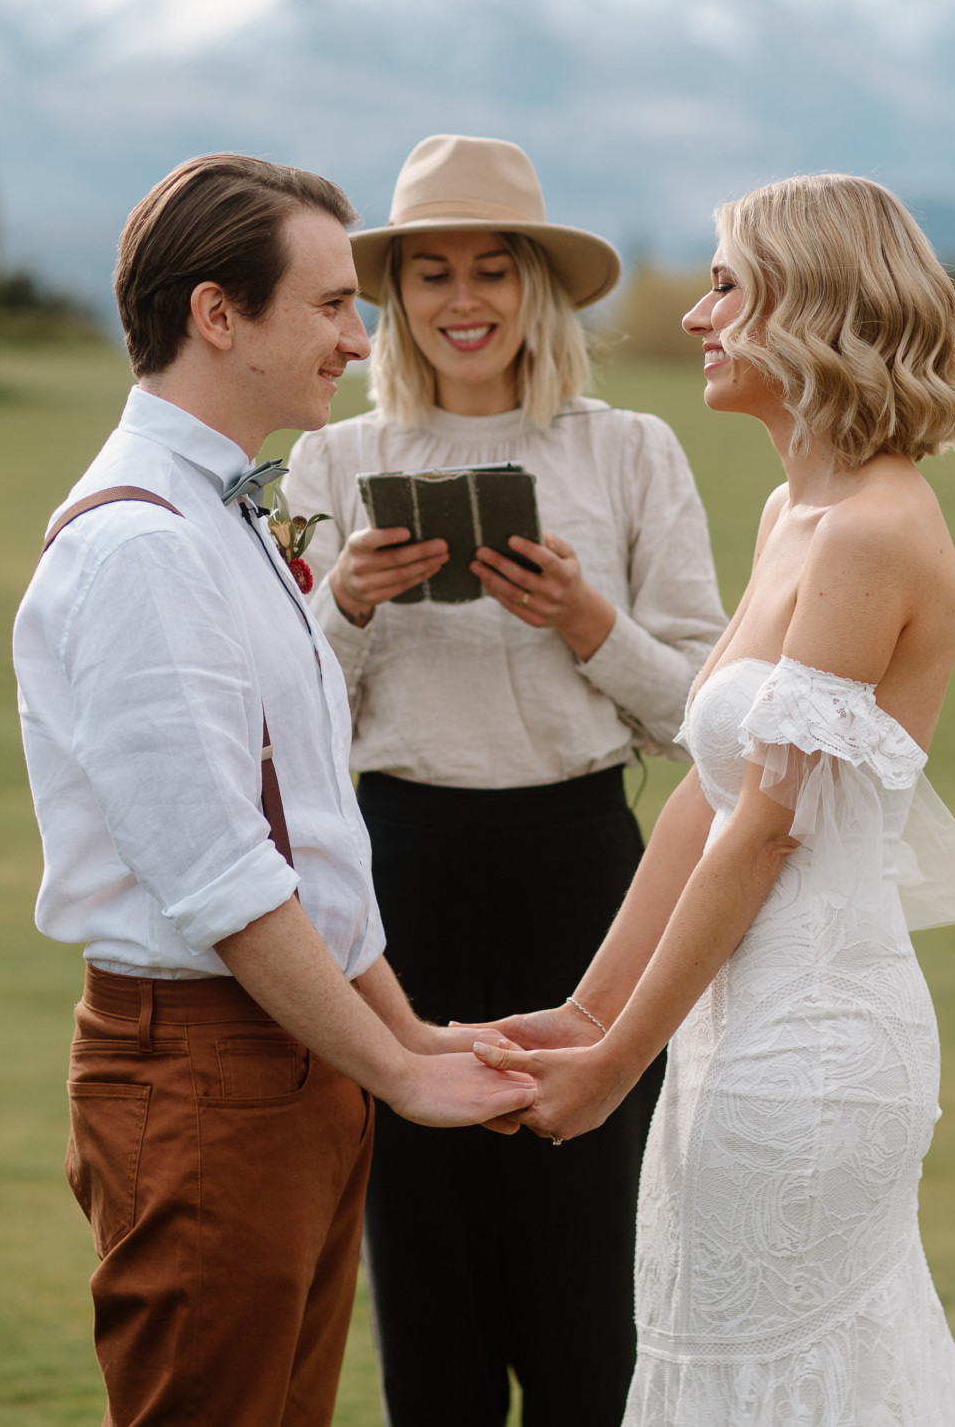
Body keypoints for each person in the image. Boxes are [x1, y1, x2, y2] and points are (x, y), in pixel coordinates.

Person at [10, 153, 536, 1427]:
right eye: (329, 307)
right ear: (215, 314)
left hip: (292, 1060)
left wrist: (407, 1040)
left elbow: (306, 844)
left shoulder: (229, 515)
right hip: (203, 1076)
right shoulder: (140, 546)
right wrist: (397, 1074)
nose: (359, 342)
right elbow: (221, 877)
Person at [474, 174, 955, 1425]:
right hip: (732, 1033)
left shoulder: (872, 533)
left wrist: (614, 1065)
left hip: (813, 1043)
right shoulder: (790, 514)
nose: (700, 316)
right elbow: (698, 805)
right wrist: (586, 1009)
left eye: (725, 283)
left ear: (812, 303)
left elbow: (768, 825)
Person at [282, 134, 726, 1427]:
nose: (462, 300)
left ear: (537, 285)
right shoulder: (331, 462)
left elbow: (708, 721)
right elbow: (293, 731)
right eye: (431, 274)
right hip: (398, 875)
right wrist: (347, 606)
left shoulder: (632, 452)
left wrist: (588, 620)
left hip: (586, 874)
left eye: (490, 269)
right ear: (397, 298)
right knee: (425, 1274)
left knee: (594, 1275)